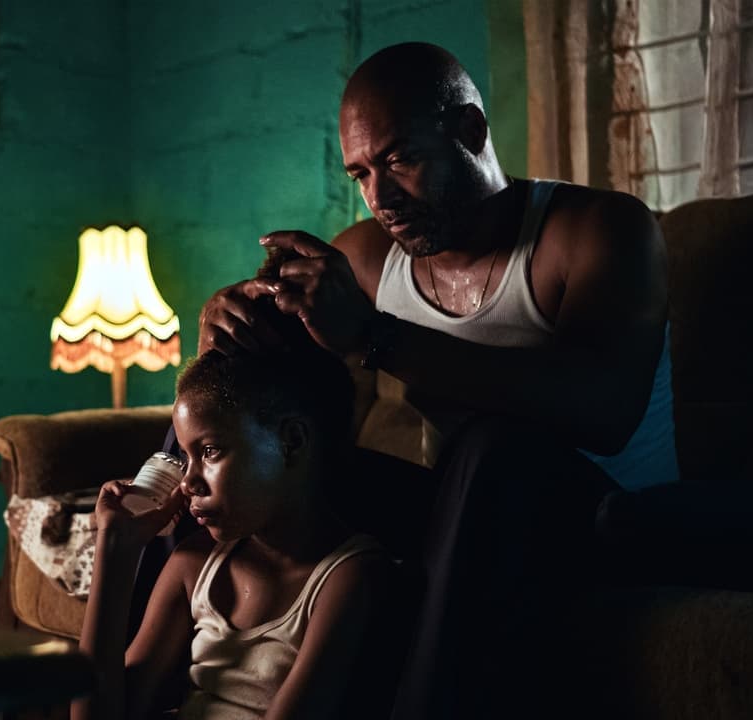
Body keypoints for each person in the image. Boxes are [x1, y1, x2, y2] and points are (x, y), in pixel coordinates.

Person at [197, 42, 677, 718]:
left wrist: (375, 337)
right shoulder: (369, 256)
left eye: (400, 160)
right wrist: (225, 329)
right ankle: (138, 689)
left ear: (471, 131)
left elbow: (606, 413)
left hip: (610, 523)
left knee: (490, 447)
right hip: (460, 516)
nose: (380, 197)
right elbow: (274, 406)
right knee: (233, 427)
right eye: (361, 173)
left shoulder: (598, 230)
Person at [71, 264, 405, 720]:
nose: (188, 482)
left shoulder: (346, 578)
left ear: (292, 442)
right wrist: (115, 552)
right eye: (186, 455)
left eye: (209, 451)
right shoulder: (193, 564)